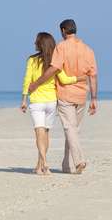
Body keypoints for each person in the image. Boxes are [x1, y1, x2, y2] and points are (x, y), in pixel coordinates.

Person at [28, 19, 98, 174]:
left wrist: (36, 83)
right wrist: (93, 98)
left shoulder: (61, 47)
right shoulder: (88, 50)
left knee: (70, 129)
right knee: (72, 130)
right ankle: (67, 166)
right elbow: (93, 76)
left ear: (64, 30)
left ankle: (78, 161)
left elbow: (54, 69)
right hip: (82, 95)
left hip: (66, 94)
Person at [21, 32, 86, 175]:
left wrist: (24, 100)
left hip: (37, 101)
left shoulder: (32, 60)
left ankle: (45, 163)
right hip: (51, 101)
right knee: (46, 134)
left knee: (39, 133)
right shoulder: (55, 61)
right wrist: (79, 78)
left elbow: (27, 80)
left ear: (40, 44)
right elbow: (64, 79)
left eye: (36, 42)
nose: (34, 44)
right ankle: (39, 167)